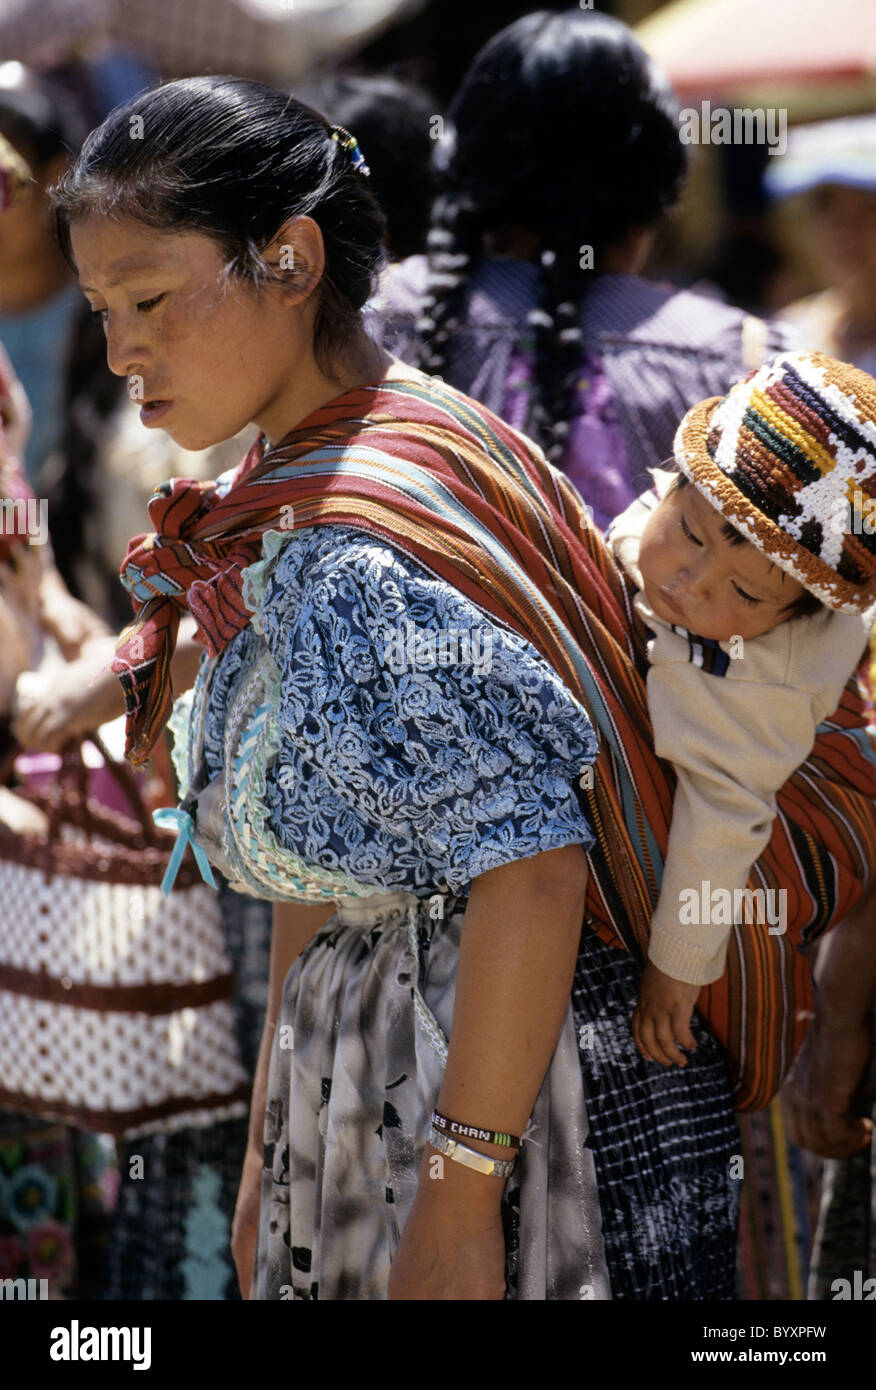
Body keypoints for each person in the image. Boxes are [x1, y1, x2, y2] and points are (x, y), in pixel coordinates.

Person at [50, 74, 876, 1301]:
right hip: (416, 1082)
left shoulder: (355, 542)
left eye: (154, 298)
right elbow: (318, 869)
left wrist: (458, 1194)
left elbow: (534, 866)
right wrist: (277, 1132)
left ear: (290, 259)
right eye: (104, 307)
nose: (122, 349)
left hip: (499, 1101)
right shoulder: (401, 437)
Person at [603, 351, 876, 1064]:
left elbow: (724, 820)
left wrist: (678, 967)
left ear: (796, 615)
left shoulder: (756, 680)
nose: (692, 585)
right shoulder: (699, 528)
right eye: (689, 533)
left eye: (745, 595)